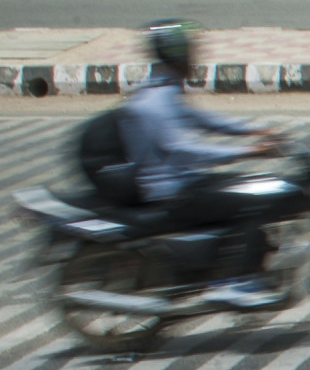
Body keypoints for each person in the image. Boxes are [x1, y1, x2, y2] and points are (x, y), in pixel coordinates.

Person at [118, 20, 287, 309]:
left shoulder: (166, 88)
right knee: (251, 201)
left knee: (255, 185)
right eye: (189, 52)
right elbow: (184, 149)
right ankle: (231, 283)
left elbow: (203, 120)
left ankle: (242, 266)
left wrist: (253, 130)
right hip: (174, 192)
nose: (195, 58)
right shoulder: (155, 100)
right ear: (176, 55)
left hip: (188, 182)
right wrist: (247, 151)